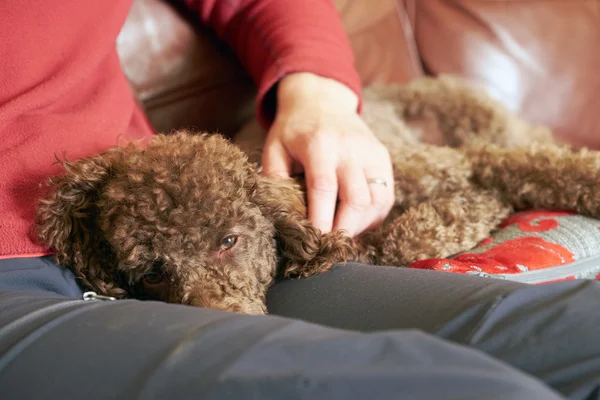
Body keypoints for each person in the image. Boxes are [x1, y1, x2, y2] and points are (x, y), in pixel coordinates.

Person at [0, 1, 598, 399]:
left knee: (577, 330)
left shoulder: (231, 208)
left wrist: (318, 95)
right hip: (19, 294)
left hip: (177, 221)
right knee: (461, 389)